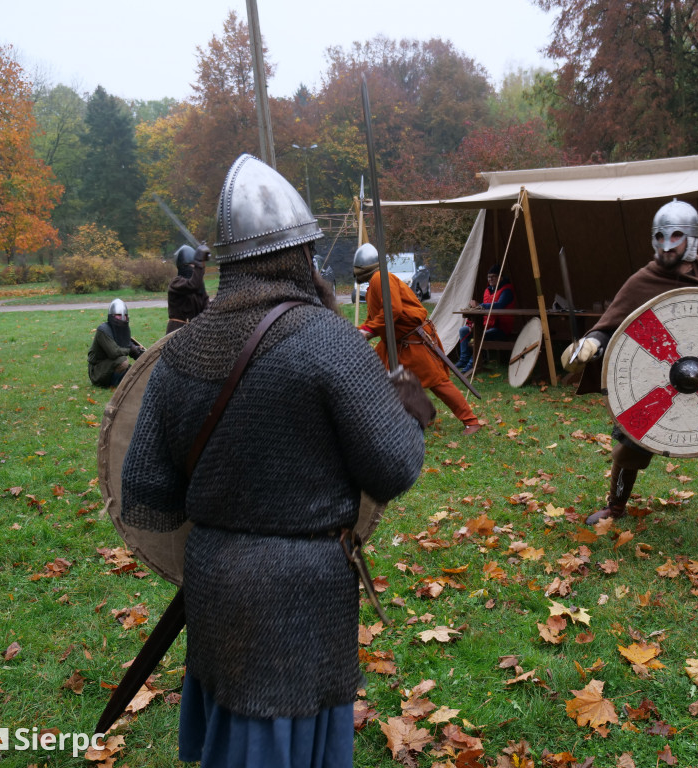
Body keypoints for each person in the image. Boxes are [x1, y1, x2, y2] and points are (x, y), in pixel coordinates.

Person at [120, 154, 428, 767]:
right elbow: (394, 468)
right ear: (300, 257)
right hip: (300, 588)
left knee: (236, 737)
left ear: (230, 264)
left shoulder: (182, 352)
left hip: (214, 577)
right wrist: (405, 411)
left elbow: (148, 495)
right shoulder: (328, 342)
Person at [561, 199, 698, 562]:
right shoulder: (643, 280)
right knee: (628, 449)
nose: (666, 245)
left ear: (691, 239)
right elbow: (613, 323)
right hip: (654, 386)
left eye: (676, 236)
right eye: (660, 236)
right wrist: (591, 344)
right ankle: (614, 508)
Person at [354, 243, 482, 435]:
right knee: (375, 373)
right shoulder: (375, 282)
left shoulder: (382, 278)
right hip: (396, 342)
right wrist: (362, 330)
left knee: (438, 381)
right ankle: (411, 413)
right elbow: (375, 317)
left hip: (413, 339)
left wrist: (369, 330)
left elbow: (393, 310)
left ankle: (471, 421)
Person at [456, 263, 516, 372]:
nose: (491, 279)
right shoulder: (488, 290)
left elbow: (499, 305)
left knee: (480, 335)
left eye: (494, 276)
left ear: (500, 277)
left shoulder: (507, 290)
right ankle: (464, 359)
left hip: (501, 328)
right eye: (489, 277)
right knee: (463, 330)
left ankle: (472, 364)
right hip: (486, 325)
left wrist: (480, 306)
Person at [87, 298, 144, 388]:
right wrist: (130, 349)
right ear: (111, 316)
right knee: (123, 361)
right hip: (97, 370)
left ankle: (123, 381)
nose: (121, 318)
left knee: (135, 372)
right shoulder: (103, 331)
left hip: (109, 365)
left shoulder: (122, 329)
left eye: (124, 315)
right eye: (118, 315)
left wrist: (140, 353)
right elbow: (114, 352)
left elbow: (128, 345)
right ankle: (113, 384)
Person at [166, 243, 211, 334]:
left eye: (195, 265)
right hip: (177, 331)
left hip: (196, 330)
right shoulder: (176, 283)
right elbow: (193, 285)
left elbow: (207, 307)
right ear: (183, 266)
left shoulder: (199, 287)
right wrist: (199, 261)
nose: (195, 268)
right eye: (192, 265)